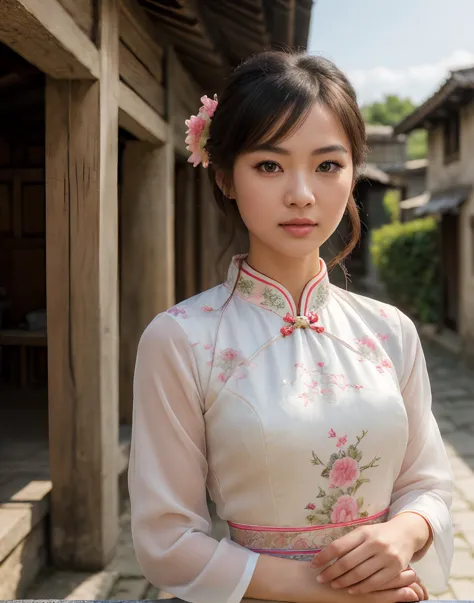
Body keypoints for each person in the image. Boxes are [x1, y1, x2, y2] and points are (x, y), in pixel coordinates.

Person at [128, 51, 453, 603]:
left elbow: (428, 485)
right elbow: (167, 539)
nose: (302, 193)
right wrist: (331, 590)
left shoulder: (391, 331)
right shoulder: (182, 339)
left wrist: (405, 533)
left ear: (353, 174)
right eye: (270, 165)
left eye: (327, 165)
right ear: (227, 176)